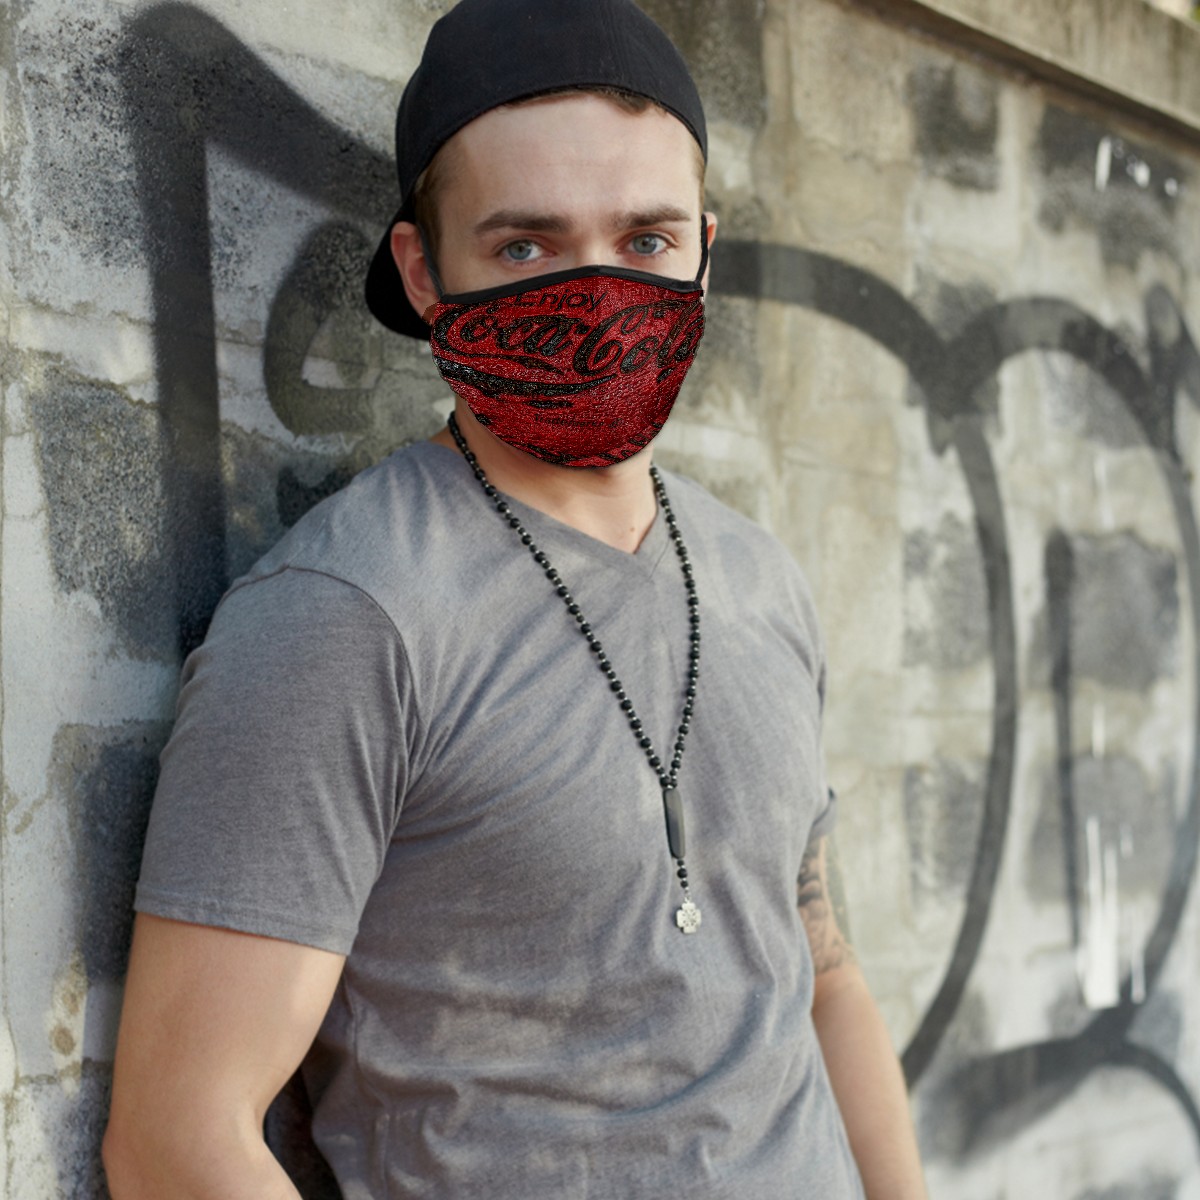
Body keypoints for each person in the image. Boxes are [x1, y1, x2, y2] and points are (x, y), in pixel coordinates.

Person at [103, 2, 927, 1197]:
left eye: (645, 241)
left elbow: (819, 974)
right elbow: (177, 1139)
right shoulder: (347, 616)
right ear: (423, 271)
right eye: (527, 250)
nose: (599, 296)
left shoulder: (761, 580)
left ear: (703, 250)